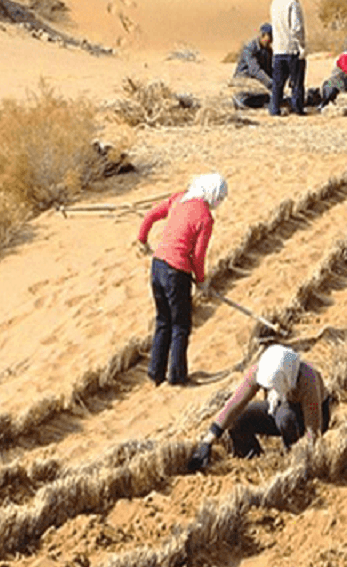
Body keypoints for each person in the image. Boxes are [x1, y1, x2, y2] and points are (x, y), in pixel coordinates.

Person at [136, 173, 228, 386]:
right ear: (212, 194)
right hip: (176, 273)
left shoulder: (179, 199)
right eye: (220, 198)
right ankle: (177, 376)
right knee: (181, 325)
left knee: (163, 321)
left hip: (157, 265)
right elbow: (197, 256)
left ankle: (155, 373)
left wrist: (142, 239)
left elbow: (150, 215)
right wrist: (202, 280)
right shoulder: (205, 217)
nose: (219, 202)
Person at [187, 344, 330, 471]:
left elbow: (313, 429)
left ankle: (291, 458)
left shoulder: (307, 380)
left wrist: (305, 458)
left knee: (285, 418)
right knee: (238, 419)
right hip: (280, 405)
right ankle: (254, 459)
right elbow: (234, 404)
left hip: (311, 416)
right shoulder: (261, 370)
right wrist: (207, 441)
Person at [269, 0, 307, 116]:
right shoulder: (292, 3)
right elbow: (296, 27)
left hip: (278, 48)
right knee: (296, 82)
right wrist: (302, 45)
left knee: (278, 82)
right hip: (292, 48)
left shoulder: (274, 2)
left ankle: (274, 109)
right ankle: (297, 108)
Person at [231, 23, 274, 109]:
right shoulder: (250, 47)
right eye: (269, 38)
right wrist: (270, 83)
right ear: (263, 35)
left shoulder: (267, 50)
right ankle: (241, 100)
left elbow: (268, 70)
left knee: (269, 98)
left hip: (258, 80)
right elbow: (254, 70)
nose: (271, 41)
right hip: (244, 79)